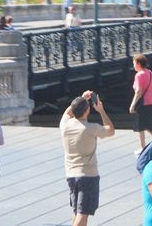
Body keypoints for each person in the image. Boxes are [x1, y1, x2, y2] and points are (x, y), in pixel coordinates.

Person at [60, 91, 115, 226]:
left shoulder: (65, 125)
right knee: (83, 213)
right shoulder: (91, 128)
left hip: (71, 175)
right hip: (88, 176)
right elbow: (111, 130)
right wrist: (101, 110)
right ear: (87, 111)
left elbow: (67, 113)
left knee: (77, 213)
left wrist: (81, 99)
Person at [129, 54, 152, 153]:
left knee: (140, 125)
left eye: (134, 63)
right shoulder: (150, 72)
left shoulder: (139, 75)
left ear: (138, 64)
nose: (133, 65)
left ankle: (142, 147)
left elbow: (139, 91)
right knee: (148, 124)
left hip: (144, 102)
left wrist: (132, 105)